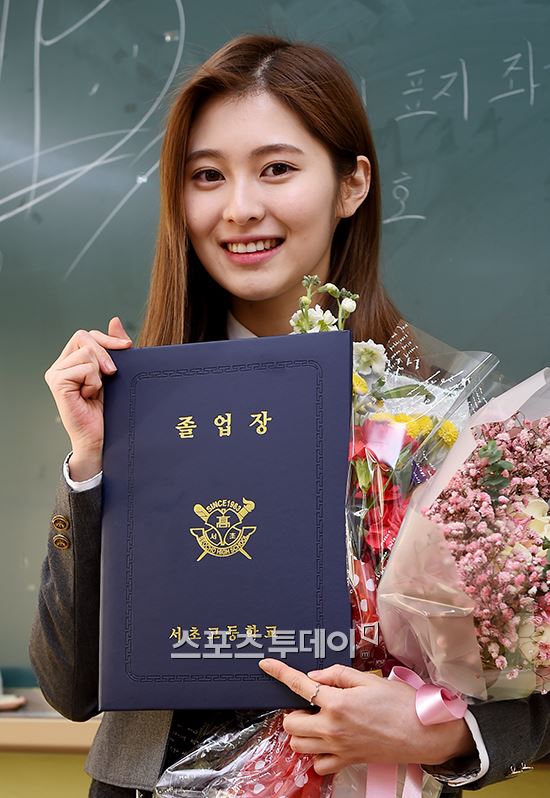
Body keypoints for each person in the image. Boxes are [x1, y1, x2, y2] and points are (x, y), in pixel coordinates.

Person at [29, 33, 550, 798]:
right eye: (207, 176)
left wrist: (437, 730)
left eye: (276, 168)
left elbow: (530, 663)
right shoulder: (141, 402)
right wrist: (90, 467)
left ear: (351, 184)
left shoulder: (447, 407)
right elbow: (69, 686)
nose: (240, 208)